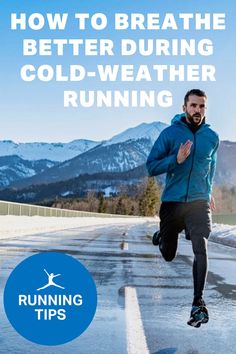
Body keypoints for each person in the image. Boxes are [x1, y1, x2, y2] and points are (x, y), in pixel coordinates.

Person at [146, 89, 219, 328]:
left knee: (201, 247)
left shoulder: (212, 137)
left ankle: (198, 303)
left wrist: (208, 193)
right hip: (173, 202)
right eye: (194, 105)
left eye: (202, 106)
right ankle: (163, 236)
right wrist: (174, 160)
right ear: (184, 107)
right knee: (169, 255)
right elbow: (151, 167)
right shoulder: (169, 134)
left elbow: (211, 169)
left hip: (198, 202)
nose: (198, 110)